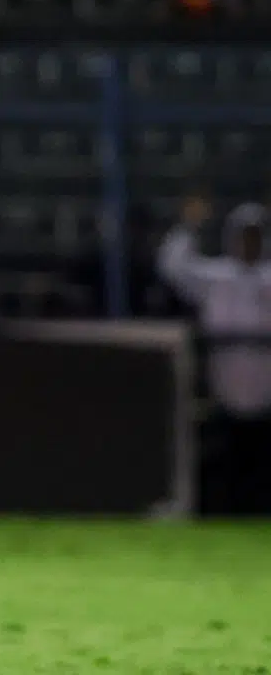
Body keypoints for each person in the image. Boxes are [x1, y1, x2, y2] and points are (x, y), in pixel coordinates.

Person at [158, 197, 271, 515]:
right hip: (223, 392)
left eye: (255, 235)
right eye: (243, 235)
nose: (249, 243)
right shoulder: (216, 277)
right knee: (226, 466)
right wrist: (189, 225)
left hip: (267, 395)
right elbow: (173, 267)